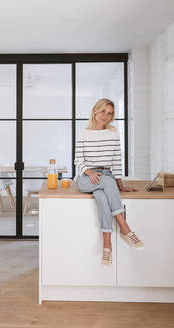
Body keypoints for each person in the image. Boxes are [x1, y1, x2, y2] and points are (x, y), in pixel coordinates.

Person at [75, 98, 144, 266]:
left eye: (110, 113)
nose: (106, 115)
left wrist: (120, 184)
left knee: (101, 196)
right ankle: (125, 228)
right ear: (95, 111)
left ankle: (107, 244)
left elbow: (115, 160)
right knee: (106, 183)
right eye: (103, 111)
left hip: (106, 177)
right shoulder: (84, 133)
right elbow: (78, 160)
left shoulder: (113, 132)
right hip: (86, 178)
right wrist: (90, 172)